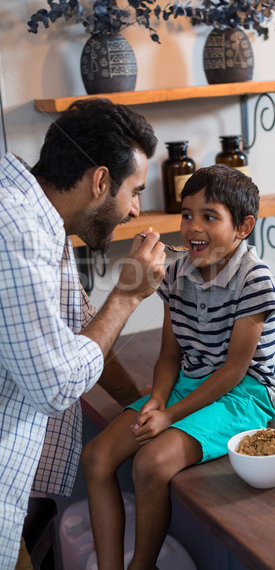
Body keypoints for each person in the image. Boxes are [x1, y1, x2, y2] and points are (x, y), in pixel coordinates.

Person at [82, 165, 275, 570]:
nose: (193, 226)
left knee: (151, 463)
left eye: (210, 216)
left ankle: (141, 566)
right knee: (96, 457)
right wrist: (156, 400)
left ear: (243, 226)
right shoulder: (176, 273)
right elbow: (170, 356)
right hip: (189, 384)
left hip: (244, 394)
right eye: (188, 214)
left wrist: (171, 415)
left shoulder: (254, 279)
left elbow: (232, 371)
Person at [0, 98, 166, 570]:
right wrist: (128, 296)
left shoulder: (42, 222)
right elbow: (55, 383)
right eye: (134, 191)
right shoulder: (14, 229)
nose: (136, 210)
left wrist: (138, 404)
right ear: (99, 181)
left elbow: (81, 329)